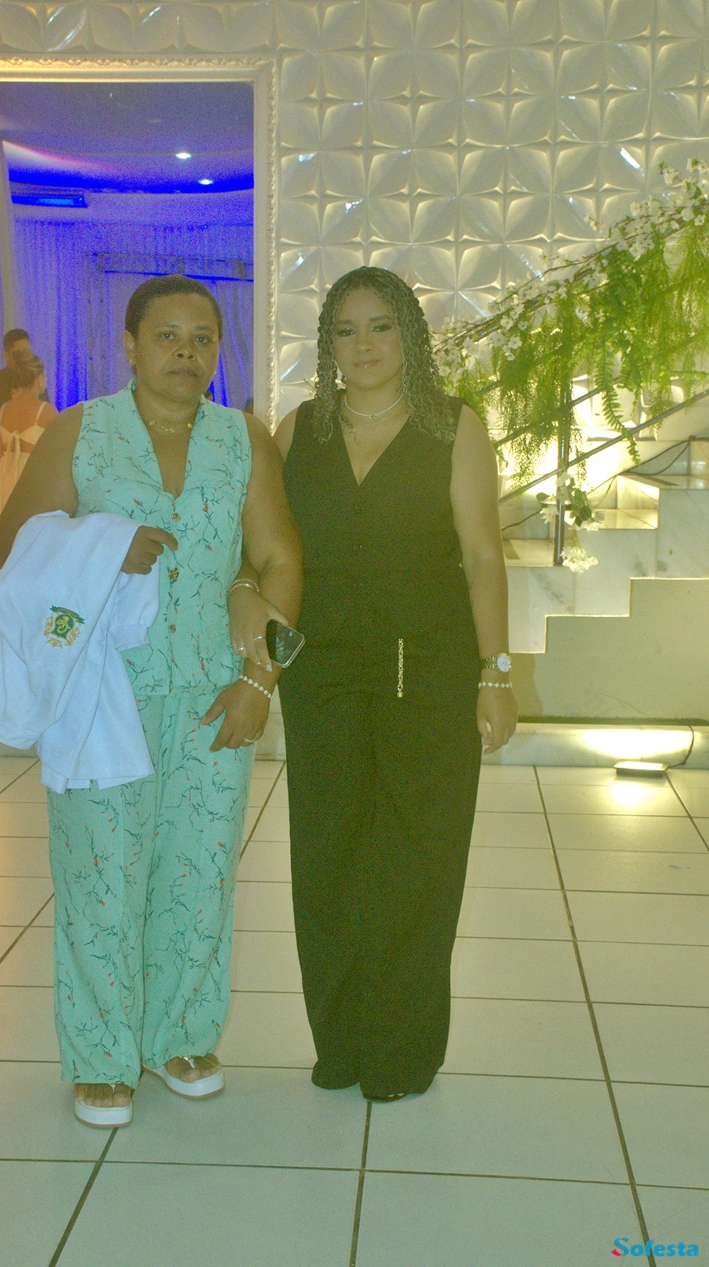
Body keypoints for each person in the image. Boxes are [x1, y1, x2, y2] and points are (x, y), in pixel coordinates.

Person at [0, 275, 302, 1127]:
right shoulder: (81, 431)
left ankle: (179, 1035)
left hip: (213, 692)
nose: (186, 353)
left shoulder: (243, 439)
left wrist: (258, 682)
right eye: (167, 336)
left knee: (199, 872)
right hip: (104, 697)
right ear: (129, 344)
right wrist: (104, 542)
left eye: (203, 338)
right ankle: (103, 1053)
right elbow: (10, 542)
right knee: (100, 873)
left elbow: (280, 559)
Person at [232, 266, 517, 1102]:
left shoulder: (452, 426)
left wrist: (496, 670)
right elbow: (262, 548)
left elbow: (483, 556)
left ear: (409, 337)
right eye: (346, 330)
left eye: (380, 326)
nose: (363, 345)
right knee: (328, 859)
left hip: (427, 673)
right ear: (328, 344)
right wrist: (247, 602)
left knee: (417, 861)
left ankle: (401, 1049)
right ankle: (342, 1042)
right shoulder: (299, 430)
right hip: (322, 675)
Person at [0, 349, 57, 506]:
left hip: (5, 475)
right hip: (33, 478)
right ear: (39, 378)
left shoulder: (4, 409)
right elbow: (58, 453)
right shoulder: (46, 410)